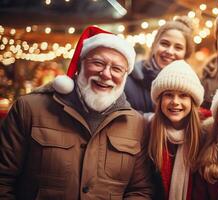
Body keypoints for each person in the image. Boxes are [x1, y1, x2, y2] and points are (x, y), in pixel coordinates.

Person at [0, 26, 153, 199]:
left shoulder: (136, 124)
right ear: (80, 65)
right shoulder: (29, 109)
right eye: (98, 63)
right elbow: (3, 180)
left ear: (125, 77)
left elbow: (140, 190)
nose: (105, 74)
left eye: (117, 69)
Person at [148, 60, 204, 200]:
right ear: (160, 100)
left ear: (193, 101)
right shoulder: (148, 131)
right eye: (169, 95)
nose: (175, 101)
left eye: (183, 95)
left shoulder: (206, 134)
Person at [125, 16, 195, 113]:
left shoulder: (191, 87)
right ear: (154, 45)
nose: (170, 51)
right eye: (164, 44)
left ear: (186, 54)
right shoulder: (128, 78)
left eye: (178, 47)